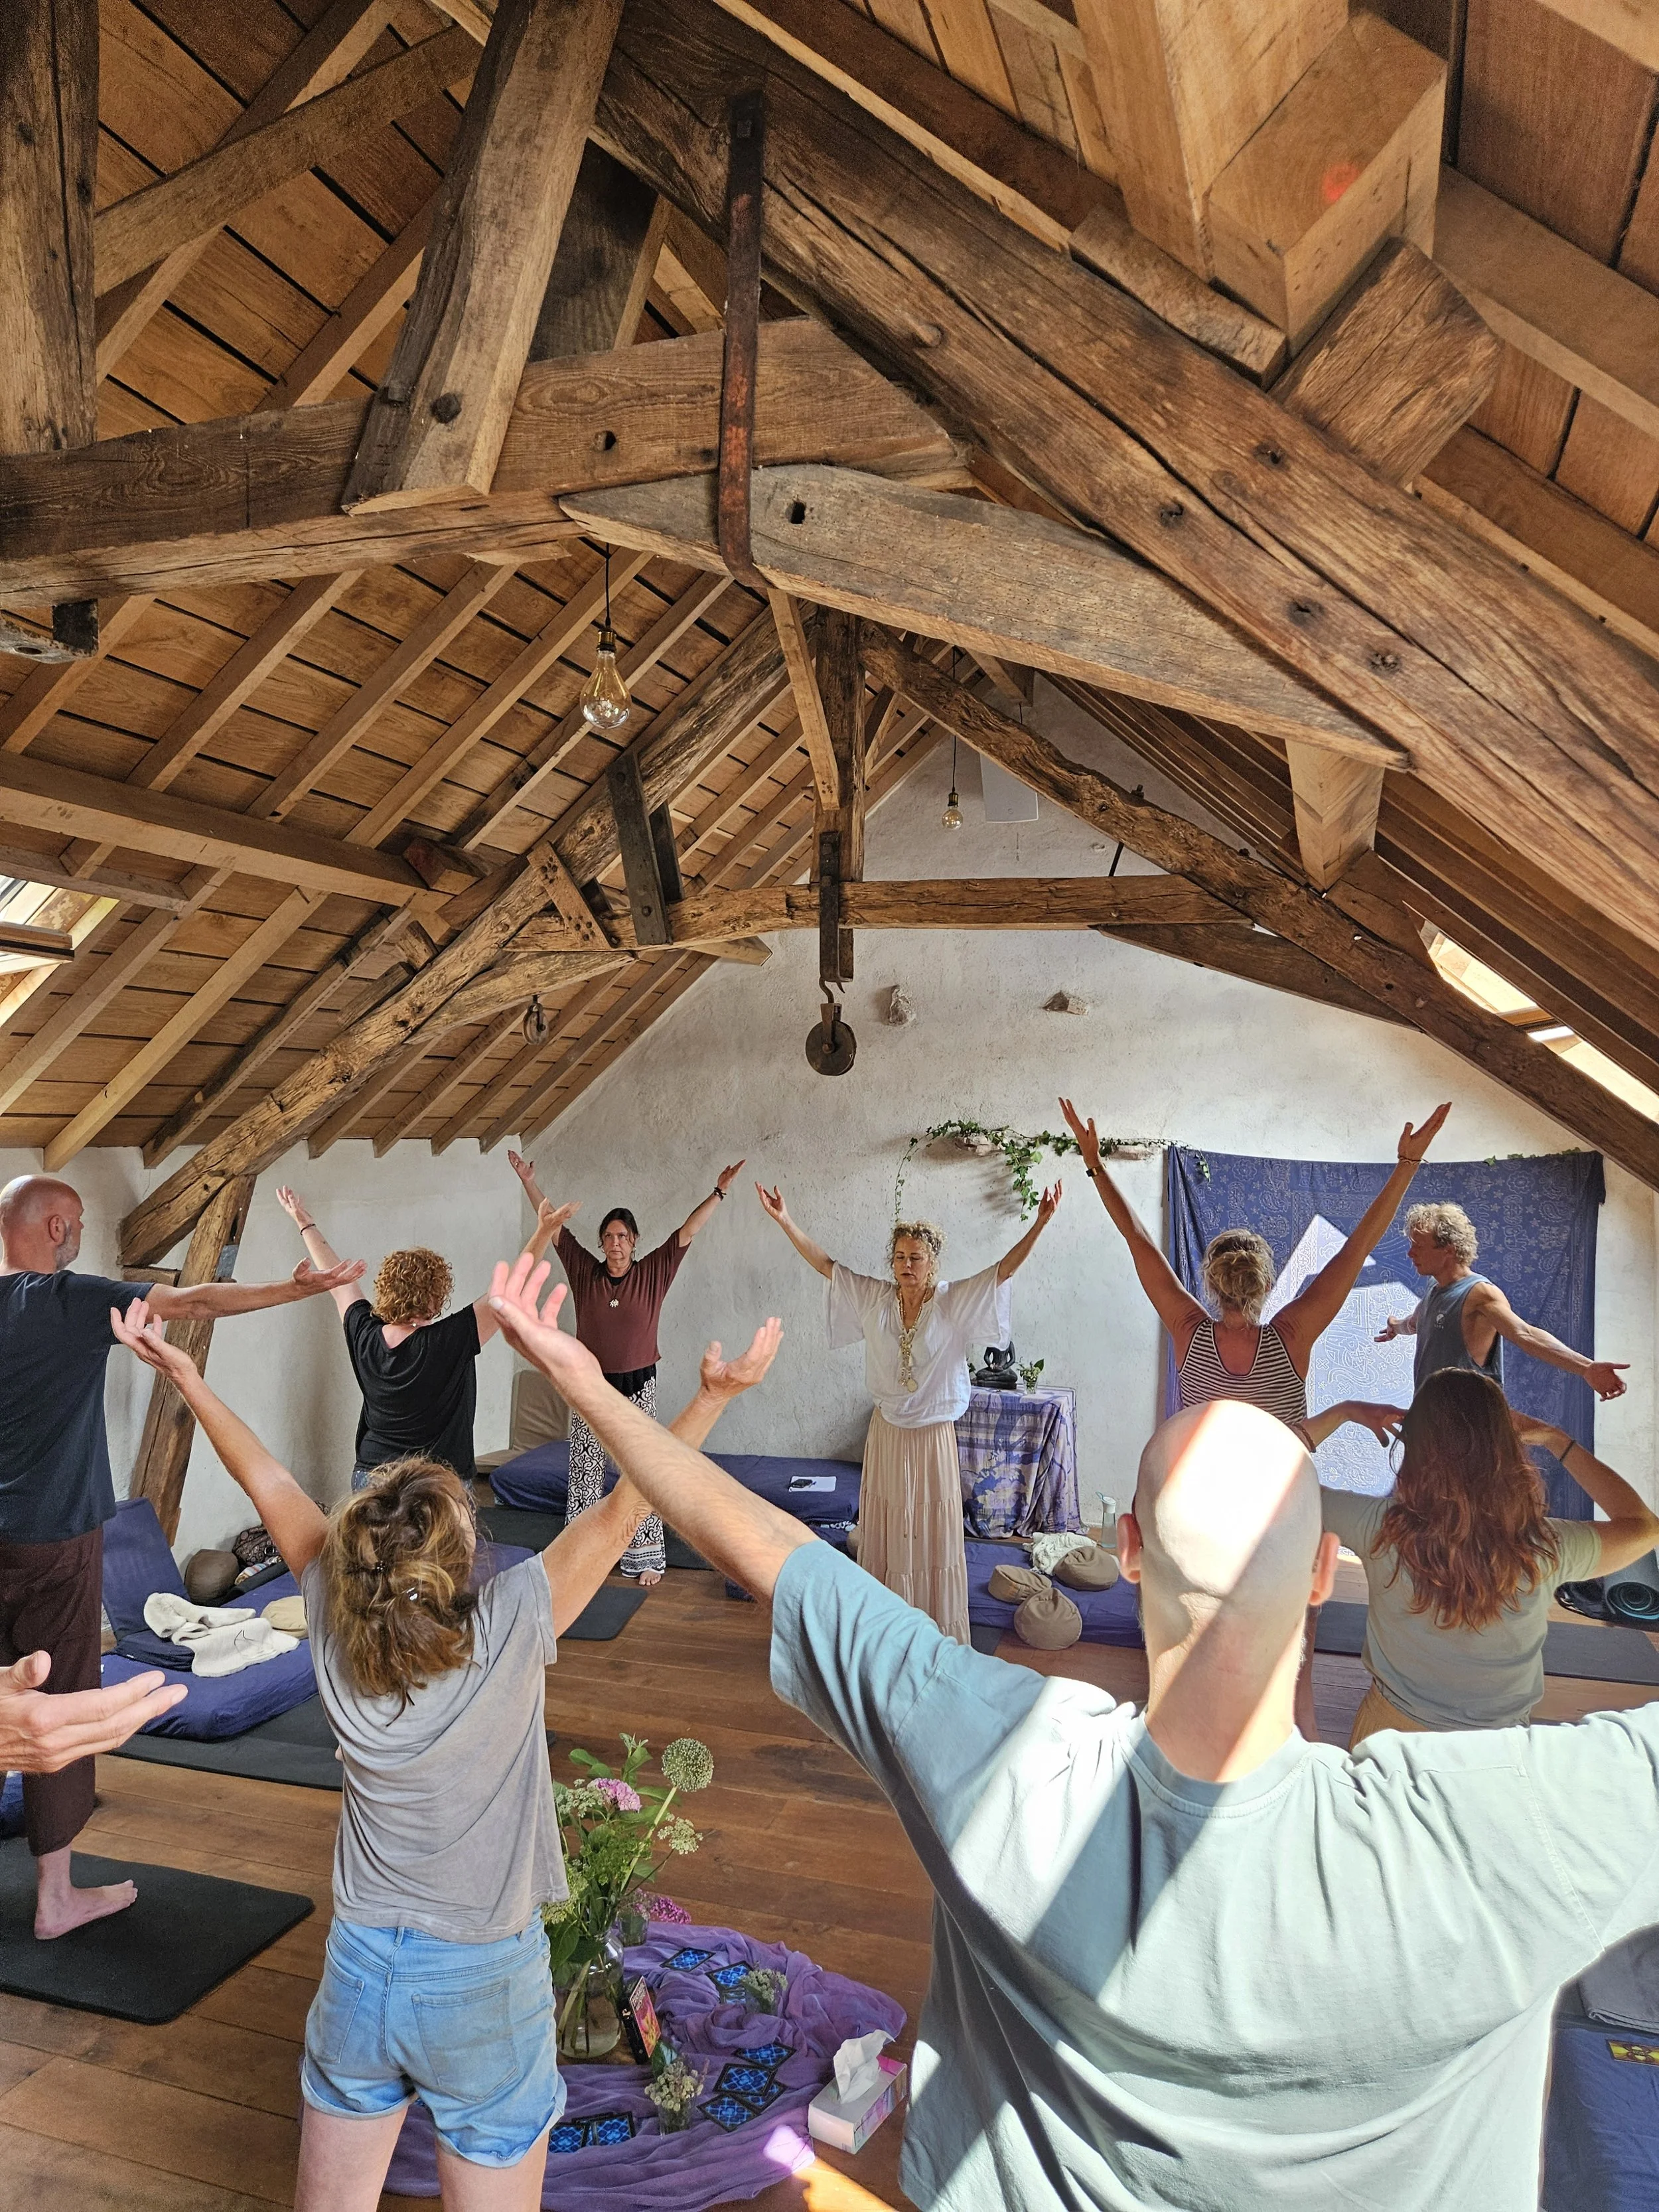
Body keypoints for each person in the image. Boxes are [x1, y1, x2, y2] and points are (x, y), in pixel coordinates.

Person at [484, 1261, 1659, 2212]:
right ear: (1322, 1572)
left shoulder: (1007, 1754)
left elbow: (767, 1547)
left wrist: (590, 1386)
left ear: (1130, 1551)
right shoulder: (1505, 1827)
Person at [110, 1288, 779, 2212]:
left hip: (358, 1972)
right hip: (483, 1982)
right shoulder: (509, 1622)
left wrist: (187, 1375)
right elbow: (630, 1507)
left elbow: (268, 1479)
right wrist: (711, 1397)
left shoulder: (334, 1627)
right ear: (463, 1568)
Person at [0, 1173, 362, 1941]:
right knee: (63, 1699)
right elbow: (193, 1303)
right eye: (81, 1223)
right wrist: (297, 1291)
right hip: (53, 1543)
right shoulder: (66, 1302)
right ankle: (56, 1898)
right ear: (60, 1228)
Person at [755, 1186, 1060, 1643]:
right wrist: (785, 1220)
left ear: (932, 1262)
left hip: (932, 1434)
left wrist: (1039, 1224)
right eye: (900, 1256)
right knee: (889, 1522)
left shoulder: (952, 1301)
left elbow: (1003, 1271)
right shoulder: (877, 1299)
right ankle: (885, 1625)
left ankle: (933, 1623)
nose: (907, 1264)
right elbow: (826, 1265)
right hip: (889, 1433)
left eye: (916, 1257)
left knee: (929, 1524)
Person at [1321, 1366, 1659, 1745]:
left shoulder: (1378, 1527)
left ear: (1415, 1440)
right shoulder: (1546, 1546)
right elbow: (1644, 1527)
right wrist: (1557, 1439)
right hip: (1499, 1749)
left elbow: (1261, 1478)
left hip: (1390, 1737)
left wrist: (1342, 1412)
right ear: (1505, 1446)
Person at [505, 1149, 745, 1587]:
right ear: (601, 1243)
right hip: (590, 1387)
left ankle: (644, 1556)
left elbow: (688, 1230)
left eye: (622, 1236)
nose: (615, 1243)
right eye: (608, 1237)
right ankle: (577, 1556)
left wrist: (719, 1191)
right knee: (584, 1471)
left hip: (638, 1387)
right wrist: (528, 1181)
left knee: (641, 1473)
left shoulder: (653, 1271)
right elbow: (554, 1225)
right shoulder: (584, 1272)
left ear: (634, 1241)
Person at [276, 1186, 563, 1498]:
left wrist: (305, 1223)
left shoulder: (365, 1332)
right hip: (435, 1485)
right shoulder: (450, 1340)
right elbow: (510, 1287)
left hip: (372, 1477)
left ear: (386, 1290)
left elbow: (335, 1278)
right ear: (435, 1300)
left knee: (372, 1550)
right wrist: (544, 1231)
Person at [1378, 1198, 1629, 1400]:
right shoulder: (1436, 1287)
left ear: (1448, 1250)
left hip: (1469, 1426)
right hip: (1430, 1421)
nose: (1410, 1253)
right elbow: (1417, 1321)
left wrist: (1586, 1367)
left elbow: (1525, 1334)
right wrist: (1396, 1327)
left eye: (1418, 1246)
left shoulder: (1480, 1293)